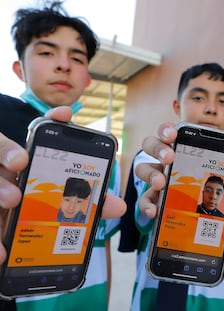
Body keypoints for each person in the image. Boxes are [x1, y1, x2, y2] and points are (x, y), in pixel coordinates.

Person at [0, 2, 125, 310]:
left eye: (77, 58)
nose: (63, 65)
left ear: (87, 79)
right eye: (46, 52)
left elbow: (102, 243)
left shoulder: (105, 153)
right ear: (19, 68)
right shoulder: (3, 119)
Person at [119, 62, 224, 310]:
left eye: (222, 101)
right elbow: (141, 223)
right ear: (177, 105)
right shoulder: (152, 161)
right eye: (198, 97)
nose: (211, 109)